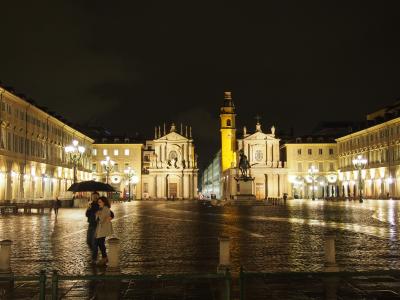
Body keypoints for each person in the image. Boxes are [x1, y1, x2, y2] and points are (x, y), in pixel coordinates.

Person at [93, 196, 114, 265]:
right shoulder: (101, 209)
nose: (99, 203)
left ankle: (104, 257)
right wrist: (97, 214)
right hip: (101, 228)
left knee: (100, 242)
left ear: (104, 202)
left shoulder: (105, 209)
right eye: (98, 202)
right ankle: (104, 257)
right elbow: (97, 219)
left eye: (100, 202)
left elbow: (101, 220)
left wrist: (98, 214)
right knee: (100, 242)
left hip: (103, 228)